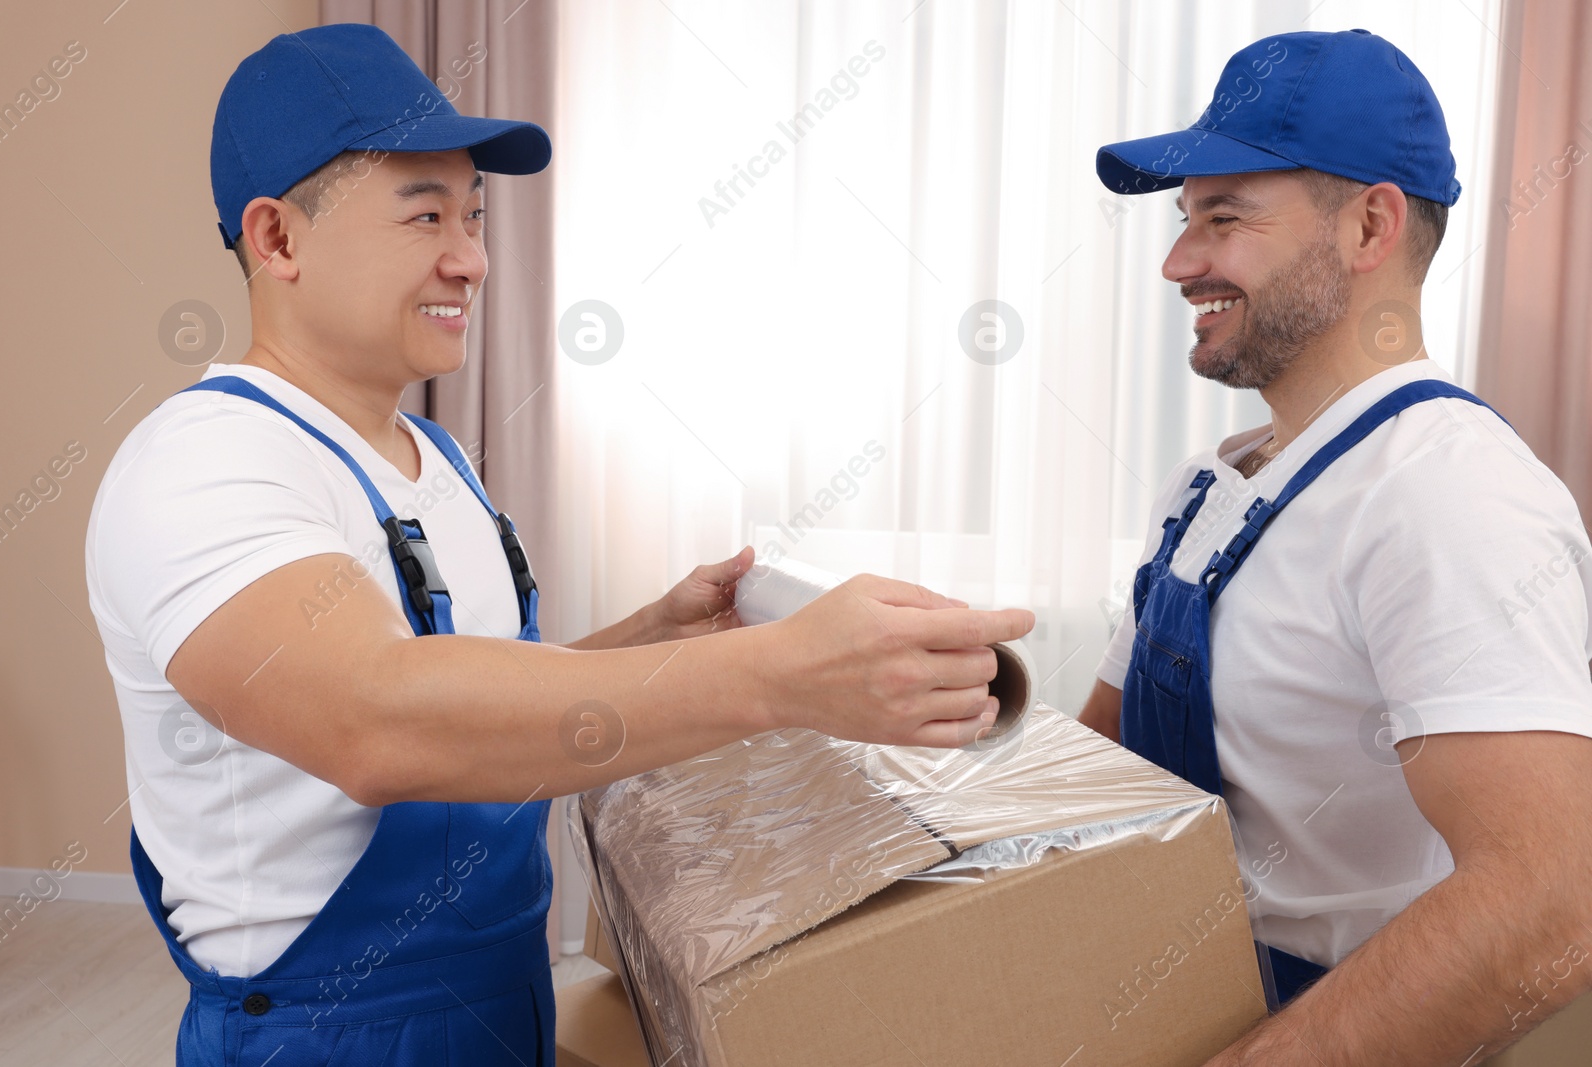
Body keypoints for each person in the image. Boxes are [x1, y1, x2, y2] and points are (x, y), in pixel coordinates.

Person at [82, 24, 1033, 1067]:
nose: (470, 257)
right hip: (332, 1031)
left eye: (475, 216)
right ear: (277, 239)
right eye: (425, 215)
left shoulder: (430, 453)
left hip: (497, 996)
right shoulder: (205, 461)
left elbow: (483, 715)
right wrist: (783, 674)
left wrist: (652, 636)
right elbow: (376, 721)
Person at [1077, 28, 1592, 1064]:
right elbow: (1102, 772)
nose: (1179, 263)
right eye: (1183, 222)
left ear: (1369, 225)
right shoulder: (1210, 486)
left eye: (1223, 218)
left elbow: (1553, 899)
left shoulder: (1446, 494)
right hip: (1148, 1001)